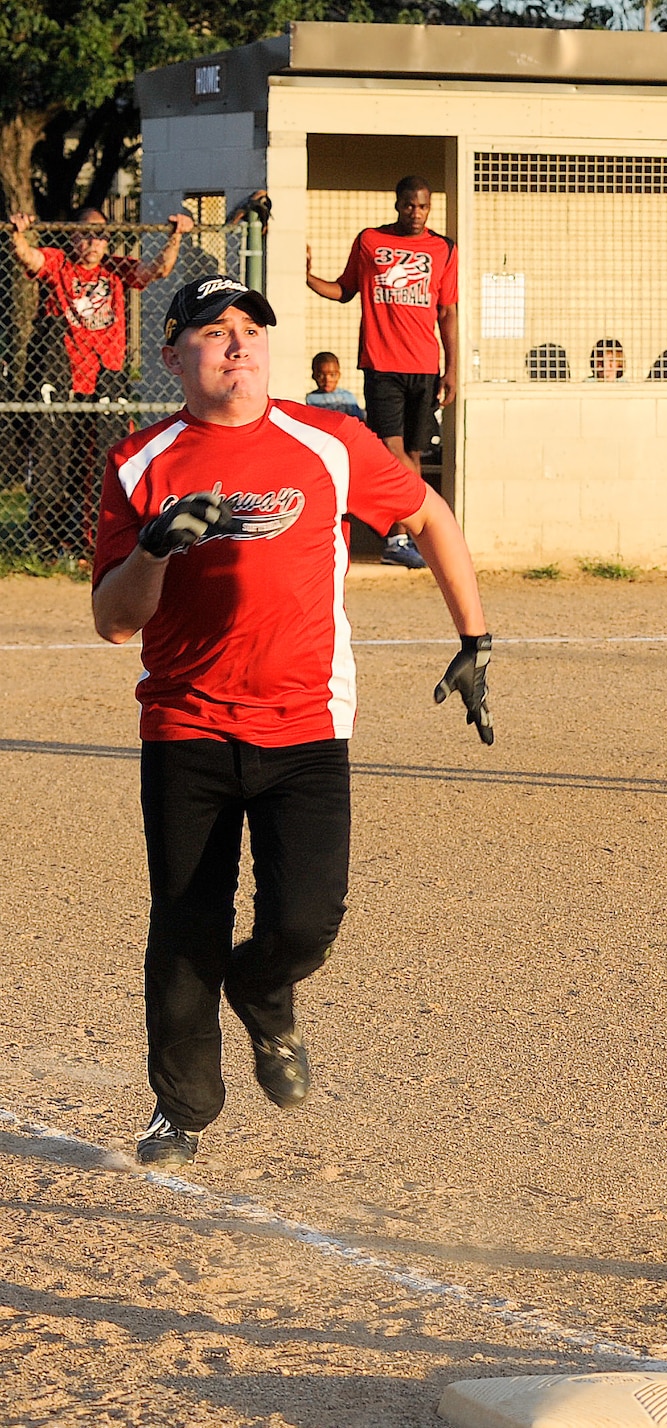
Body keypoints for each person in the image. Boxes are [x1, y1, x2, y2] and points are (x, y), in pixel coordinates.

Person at [90, 275, 494, 1170]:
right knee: (187, 918)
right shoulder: (138, 462)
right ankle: (182, 1110)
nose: (238, 344)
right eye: (213, 330)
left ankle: (264, 995)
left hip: (306, 724)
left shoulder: (330, 440)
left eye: (251, 329)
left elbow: (425, 513)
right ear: (172, 356)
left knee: (307, 921)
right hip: (187, 725)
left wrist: (475, 634)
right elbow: (115, 622)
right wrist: (157, 546)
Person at [8, 207, 194, 559]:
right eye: (84, 234)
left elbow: (158, 269)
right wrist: (18, 233)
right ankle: (49, 541)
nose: (93, 242)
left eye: (100, 235)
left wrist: (176, 236)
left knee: (100, 463)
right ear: (71, 236)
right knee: (57, 459)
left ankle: (91, 540)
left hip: (106, 379)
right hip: (65, 381)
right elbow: (29, 259)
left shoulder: (116, 268)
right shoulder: (60, 264)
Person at [304, 175, 459, 570]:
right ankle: (428, 522)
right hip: (382, 364)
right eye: (409, 205)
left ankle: (405, 536)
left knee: (412, 453)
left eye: (423, 206)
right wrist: (306, 277)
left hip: (426, 366)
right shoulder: (371, 241)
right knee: (391, 451)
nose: (416, 213)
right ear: (397, 205)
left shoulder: (443, 248)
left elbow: (447, 312)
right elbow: (344, 289)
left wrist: (453, 369)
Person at [305, 351, 364, 420]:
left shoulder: (348, 397)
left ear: (338, 375)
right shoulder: (311, 399)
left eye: (332, 375)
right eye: (320, 375)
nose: (327, 380)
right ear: (313, 376)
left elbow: (358, 421)